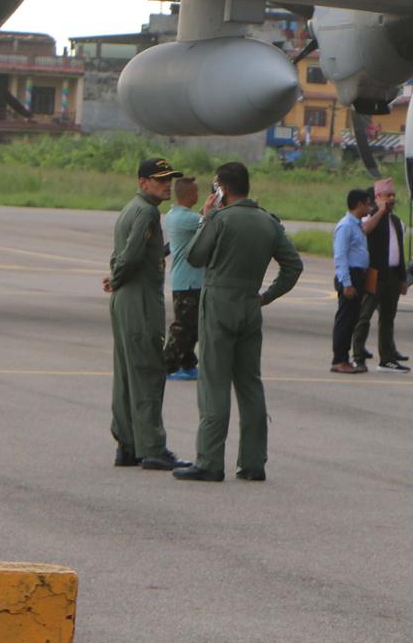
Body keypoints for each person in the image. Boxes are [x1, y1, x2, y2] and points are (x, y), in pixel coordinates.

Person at [174, 162, 303, 482]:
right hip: (249, 303)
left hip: (219, 304)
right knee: (249, 384)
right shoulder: (268, 222)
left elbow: (195, 256)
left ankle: (210, 460)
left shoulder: (220, 220)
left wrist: (206, 218)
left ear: (222, 190)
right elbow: (293, 266)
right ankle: (253, 461)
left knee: (214, 383)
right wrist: (267, 296)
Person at [105, 157, 186, 470]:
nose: (167, 184)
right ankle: (152, 447)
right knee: (148, 373)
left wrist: (116, 276)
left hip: (126, 298)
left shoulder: (132, 208)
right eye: (159, 179)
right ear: (143, 182)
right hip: (139, 301)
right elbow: (132, 254)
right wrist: (116, 277)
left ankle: (127, 444)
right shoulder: (148, 212)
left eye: (168, 179)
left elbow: (125, 254)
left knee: (126, 374)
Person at [355, 178, 411, 373]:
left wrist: (404, 279)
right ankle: (358, 356)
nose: (391, 199)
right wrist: (380, 211)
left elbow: (400, 253)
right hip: (375, 274)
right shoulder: (369, 218)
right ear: (378, 197)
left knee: (388, 318)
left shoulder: (396, 222)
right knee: (365, 316)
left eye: (393, 195)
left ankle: (386, 359)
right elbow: (365, 230)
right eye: (388, 195)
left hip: (393, 275)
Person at [162, 176, 204, 381]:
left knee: (192, 326)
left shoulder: (173, 214)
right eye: (196, 192)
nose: (198, 195)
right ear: (189, 195)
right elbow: (213, 224)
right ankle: (167, 365)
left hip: (188, 279)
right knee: (184, 327)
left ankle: (187, 363)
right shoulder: (187, 219)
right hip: (189, 281)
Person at [329, 188, 373, 374]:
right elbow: (340, 256)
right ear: (359, 204)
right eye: (367, 203)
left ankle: (344, 358)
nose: (369, 207)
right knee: (345, 320)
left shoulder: (357, 225)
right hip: (350, 277)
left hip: (358, 276)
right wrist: (346, 283)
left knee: (352, 319)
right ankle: (339, 360)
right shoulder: (346, 226)